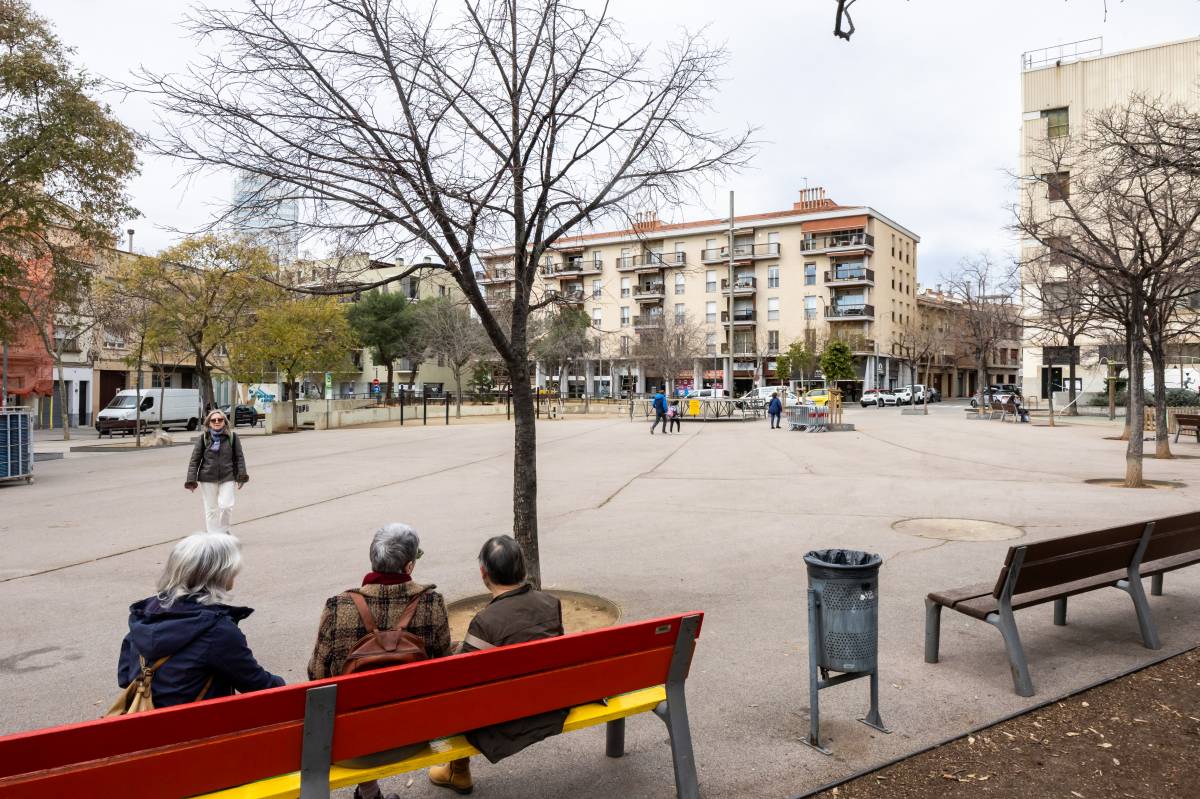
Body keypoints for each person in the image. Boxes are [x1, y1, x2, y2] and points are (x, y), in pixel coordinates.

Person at [309, 523, 451, 799]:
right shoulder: (431, 603)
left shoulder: (338, 607)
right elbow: (445, 669)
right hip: (415, 735)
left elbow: (317, 676)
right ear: (409, 566)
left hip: (353, 744)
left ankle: (369, 792)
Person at [428, 536, 567, 795]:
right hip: (549, 705)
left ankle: (458, 769)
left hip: (505, 721)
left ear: (484, 573)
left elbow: (462, 681)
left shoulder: (485, 622)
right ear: (522, 569)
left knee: (454, 696)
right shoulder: (551, 603)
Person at [117, 533, 284, 710]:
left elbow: (125, 676)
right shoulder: (217, 631)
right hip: (198, 723)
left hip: (146, 720)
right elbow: (257, 684)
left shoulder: (145, 614)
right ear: (218, 574)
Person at [185, 409, 248, 534]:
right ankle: (213, 536)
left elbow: (239, 457)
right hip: (207, 478)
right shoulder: (203, 438)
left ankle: (224, 531)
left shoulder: (232, 437)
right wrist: (191, 480)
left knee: (226, 506)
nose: (217, 422)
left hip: (228, 476)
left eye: (220, 419)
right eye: (213, 420)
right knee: (211, 509)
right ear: (209, 423)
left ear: (225, 422)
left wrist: (241, 476)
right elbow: (195, 460)